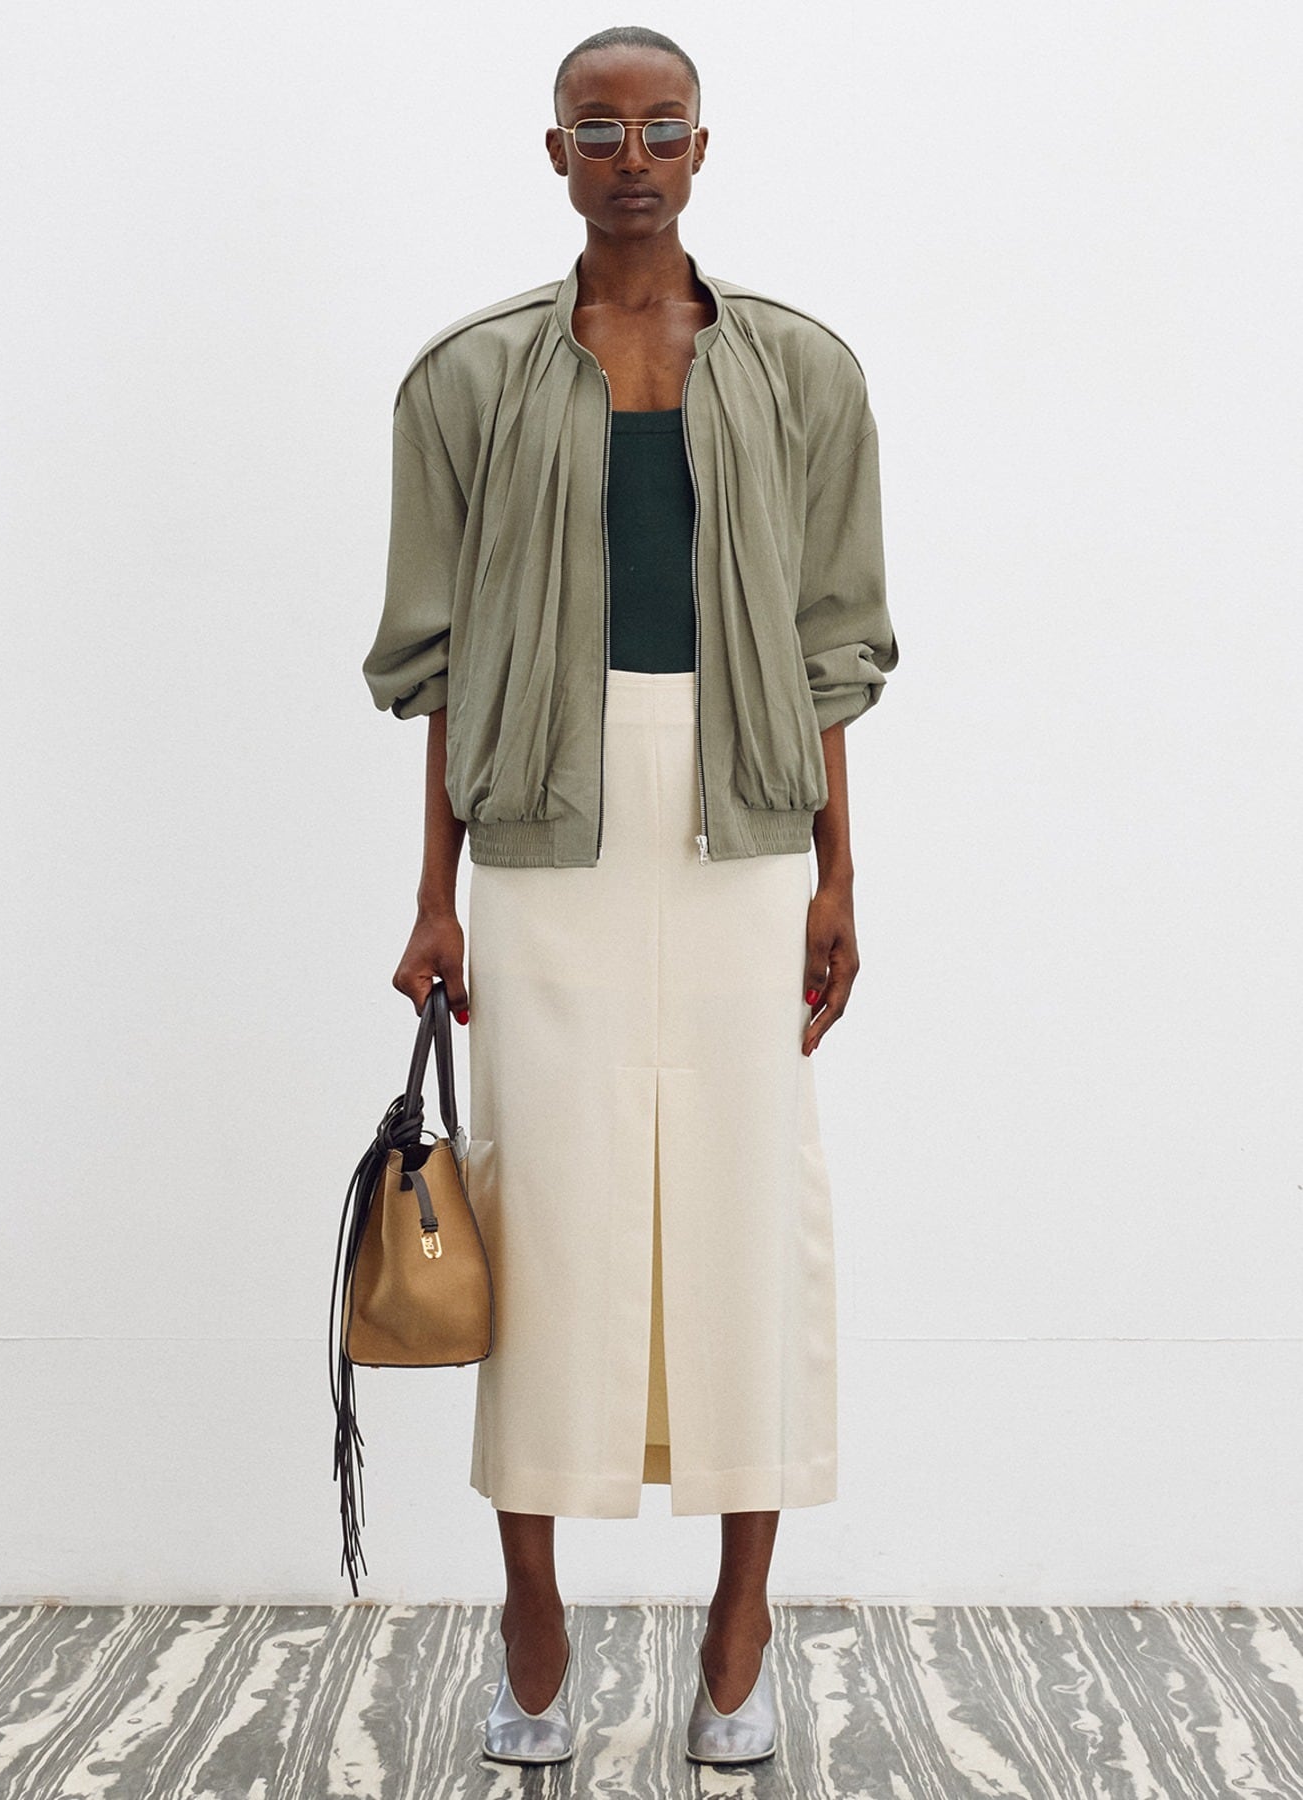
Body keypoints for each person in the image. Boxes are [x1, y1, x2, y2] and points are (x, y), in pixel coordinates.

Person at [361, 24, 898, 1768]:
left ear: (701, 147)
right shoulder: (467, 380)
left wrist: (837, 871)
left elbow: (829, 647)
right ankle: (533, 1613)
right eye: (598, 131)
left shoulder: (800, 371)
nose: (632, 159)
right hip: (541, 827)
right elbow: (439, 664)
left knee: (747, 1203)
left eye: (661, 128)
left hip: (743, 819)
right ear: (555, 155)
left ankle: (740, 1627)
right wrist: (432, 895)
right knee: (548, 1207)